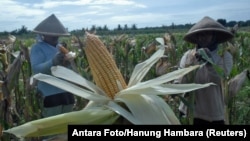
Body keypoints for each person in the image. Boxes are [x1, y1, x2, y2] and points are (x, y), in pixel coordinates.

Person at [176, 16, 234, 125]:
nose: (203, 37)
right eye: (200, 34)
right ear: (196, 37)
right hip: (189, 111)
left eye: (207, 34)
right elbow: (181, 82)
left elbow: (219, 80)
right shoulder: (188, 56)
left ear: (214, 36)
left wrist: (209, 62)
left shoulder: (224, 56)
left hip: (213, 114)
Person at [30, 14, 75, 118]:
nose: (55, 37)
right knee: (51, 130)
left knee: (65, 128)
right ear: (43, 34)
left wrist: (68, 63)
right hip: (50, 95)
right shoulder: (37, 48)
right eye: (52, 34)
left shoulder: (60, 47)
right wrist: (52, 62)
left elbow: (67, 72)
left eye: (57, 34)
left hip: (67, 93)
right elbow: (36, 70)